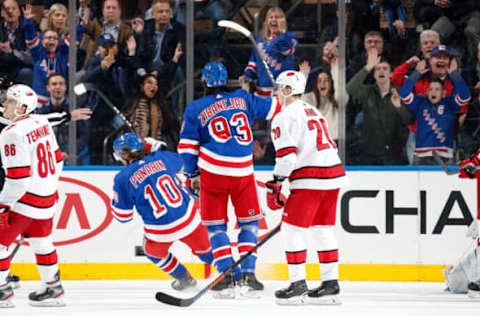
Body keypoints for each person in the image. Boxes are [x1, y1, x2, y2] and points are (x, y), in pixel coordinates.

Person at [177, 61, 281, 298]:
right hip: (243, 172)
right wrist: (276, 94)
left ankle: (226, 274)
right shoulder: (243, 99)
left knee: (215, 226)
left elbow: (186, 147)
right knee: (249, 223)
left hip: (213, 174)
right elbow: (276, 108)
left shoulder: (195, 108)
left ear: (204, 82)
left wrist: (192, 174)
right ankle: (249, 274)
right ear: (227, 80)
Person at [265, 70, 348, 305]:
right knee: (323, 230)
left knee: (292, 230)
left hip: (311, 179)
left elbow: (288, 158)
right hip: (333, 175)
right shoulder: (313, 111)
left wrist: (277, 182)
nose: (276, 92)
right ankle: (331, 284)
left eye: (280, 87)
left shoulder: (283, 116)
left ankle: (298, 284)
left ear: (288, 90)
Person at [111, 133, 213, 291]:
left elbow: (123, 217)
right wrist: (160, 148)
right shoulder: (160, 157)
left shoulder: (122, 178)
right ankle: (232, 273)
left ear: (121, 156)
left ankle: (184, 278)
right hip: (189, 219)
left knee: (152, 252)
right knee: (207, 251)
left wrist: (116, 200)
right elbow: (182, 163)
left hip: (159, 232)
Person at [0, 84, 65, 308]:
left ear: (20, 106)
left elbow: (18, 178)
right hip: (47, 198)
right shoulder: (42, 122)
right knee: (42, 241)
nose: (3, 105)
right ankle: (52, 287)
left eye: (8, 102)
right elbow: (58, 160)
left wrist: (3, 204)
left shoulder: (11, 133)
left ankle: (2, 292)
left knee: (0, 244)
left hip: (24, 200)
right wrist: (48, 187)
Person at [398, 50, 471, 165]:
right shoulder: (420, 103)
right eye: (431, 89)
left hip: (445, 155)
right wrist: (416, 73)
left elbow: (465, 96)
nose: (434, 92)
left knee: (444, 183)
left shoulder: (450, 104)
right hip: (422, 155)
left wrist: (454, 74)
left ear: (443, 93)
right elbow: (404, 94)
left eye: (437, 89)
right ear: (426, 92)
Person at [346, 50, 413, 165]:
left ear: (391, 74)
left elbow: (409, 120)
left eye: (385, 68)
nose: (381, 71)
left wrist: (399, 107)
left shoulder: (400, 92)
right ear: (374, 74)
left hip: (393, 154)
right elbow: (350, 87)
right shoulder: (368, 91)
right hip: (369, 153)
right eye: (377, 68)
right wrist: (368, 66)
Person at [238, 6, 298, 97]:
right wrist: (247, 75)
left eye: (277, 17)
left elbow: (287, 51)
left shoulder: (290, 37)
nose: (274, 19)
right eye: (271, 17)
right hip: (262, 92)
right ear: (266, 21)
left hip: (282, 92)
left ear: (283, 21)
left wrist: (281, 35)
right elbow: (253, 64)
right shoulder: (259, 41)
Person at [124, 73, 180, 152]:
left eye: (156, 84)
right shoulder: (134, 105)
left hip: (156, 150)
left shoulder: (161, 105)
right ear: (142, 86)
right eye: (149, 82)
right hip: (137, 151)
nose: (153, 86)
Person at [0, 0, 33, 86]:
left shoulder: (28, 29)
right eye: (7, 9)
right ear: (2, 13)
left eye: (13, 8)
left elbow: (31, 59)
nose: (10, 11)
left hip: (19, 69)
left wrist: (12, 51)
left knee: (27, 73)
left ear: (19, 12)